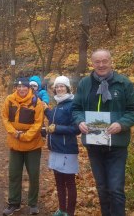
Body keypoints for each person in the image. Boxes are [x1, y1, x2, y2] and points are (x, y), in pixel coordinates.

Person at [72, 49, 134, 216]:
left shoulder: (123, 83)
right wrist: (80, 121)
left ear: (111, 61)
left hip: (117, 145)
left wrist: (121, 124)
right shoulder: (84, 84)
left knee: (116, 189)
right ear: (92, 63)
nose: (101, 65)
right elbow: (76, 108)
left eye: (105, 61)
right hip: (94, 145)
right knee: (102, 188)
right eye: (97, 61)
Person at [1, 77, 45, 216]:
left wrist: (24, 136)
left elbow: (38, 123)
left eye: (24, 87)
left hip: (33, 145)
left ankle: (33, 204)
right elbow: (5, 118)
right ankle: (14, 203)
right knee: (14, 174)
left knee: (33, 175)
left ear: (29, 88)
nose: (21, 89)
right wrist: (14, 133)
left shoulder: (36, 102)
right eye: (19, 87)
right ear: (16, 88)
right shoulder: (9, 100)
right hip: (15, 145)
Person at [44, 76, 80, 216]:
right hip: (55, 149)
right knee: (59, 182)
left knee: (69, 183)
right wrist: (46, 110)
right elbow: (54, 119)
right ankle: (62, 210)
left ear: (67, 88)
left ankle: (70, 213)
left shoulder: (72, 104)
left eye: (62, 86)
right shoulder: (58, 104)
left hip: (67, 150)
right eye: (57, 87)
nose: (59, 89)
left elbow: (76, 129)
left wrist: (57, 128)